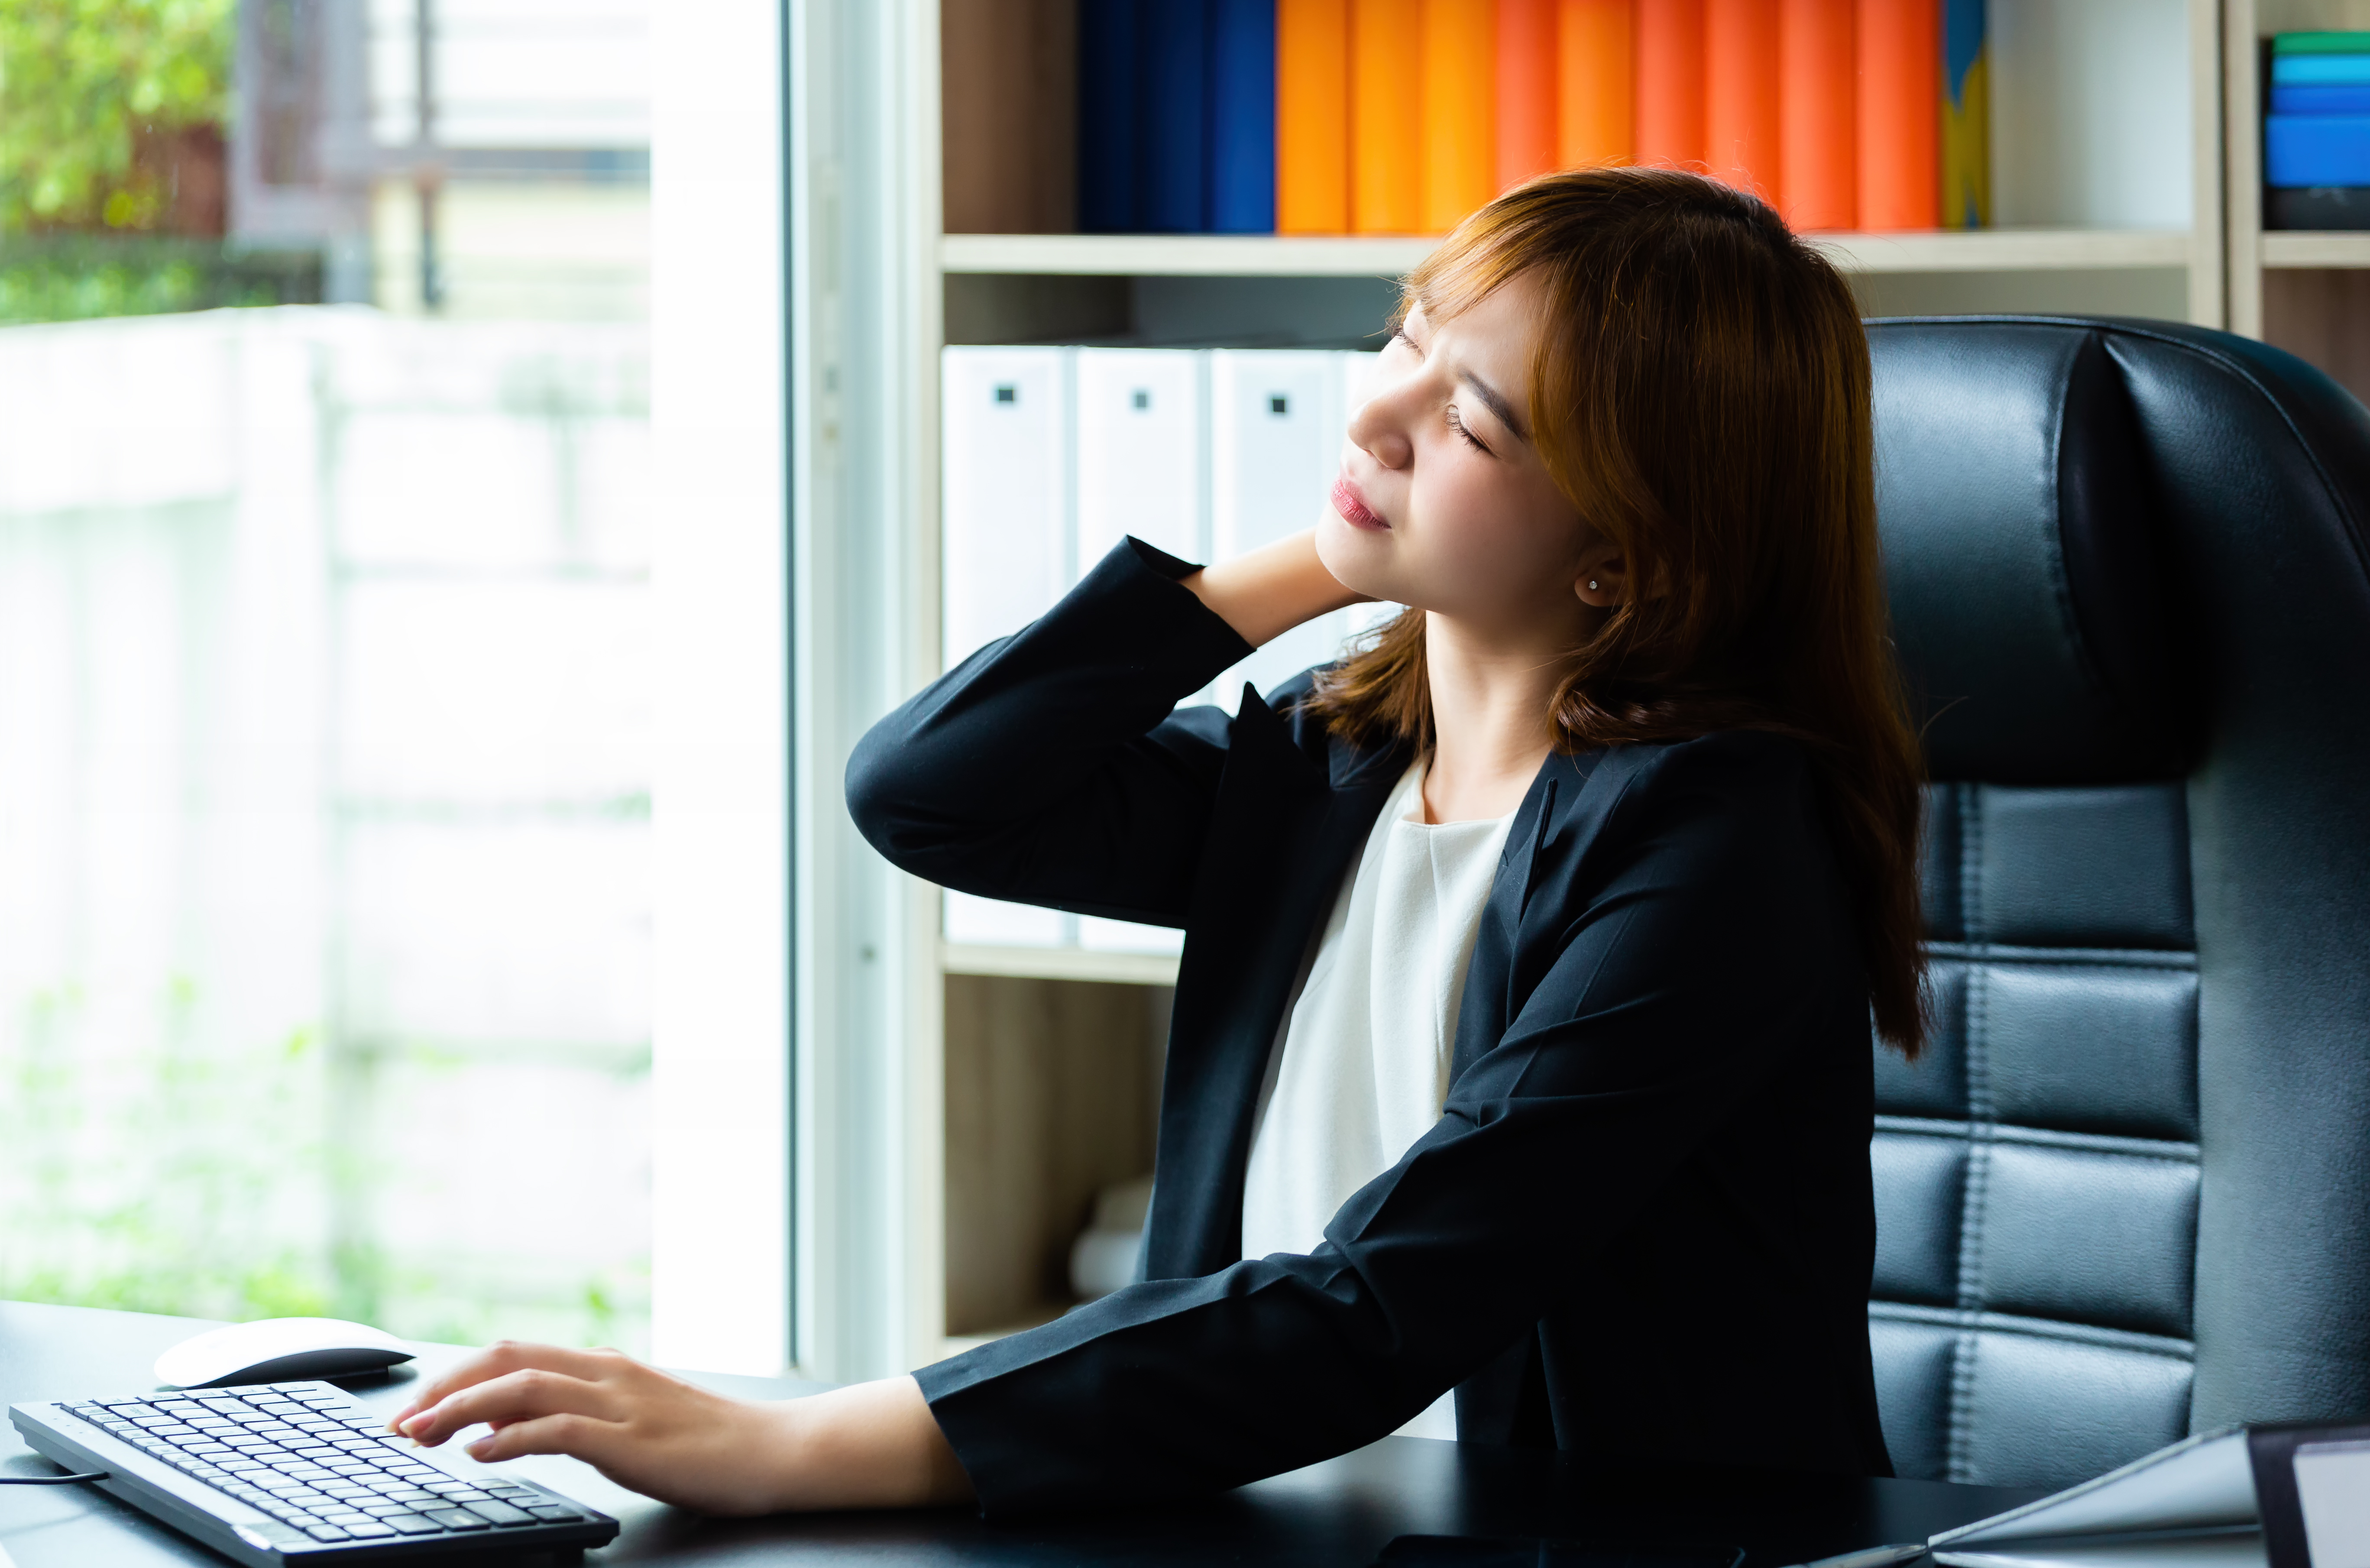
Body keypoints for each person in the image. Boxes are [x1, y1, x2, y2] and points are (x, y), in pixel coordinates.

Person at [385, 167, 1926, 1518]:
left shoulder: (1722, 847)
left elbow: (1376, 1304)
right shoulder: (1331, 767)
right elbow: (928, 792)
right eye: (1405, 331)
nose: (1373, 407)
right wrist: (1314, 567)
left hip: (1590, 1541)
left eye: (1464, 419)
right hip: (1247, 1508)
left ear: (1624, 558)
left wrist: (788, 1446)